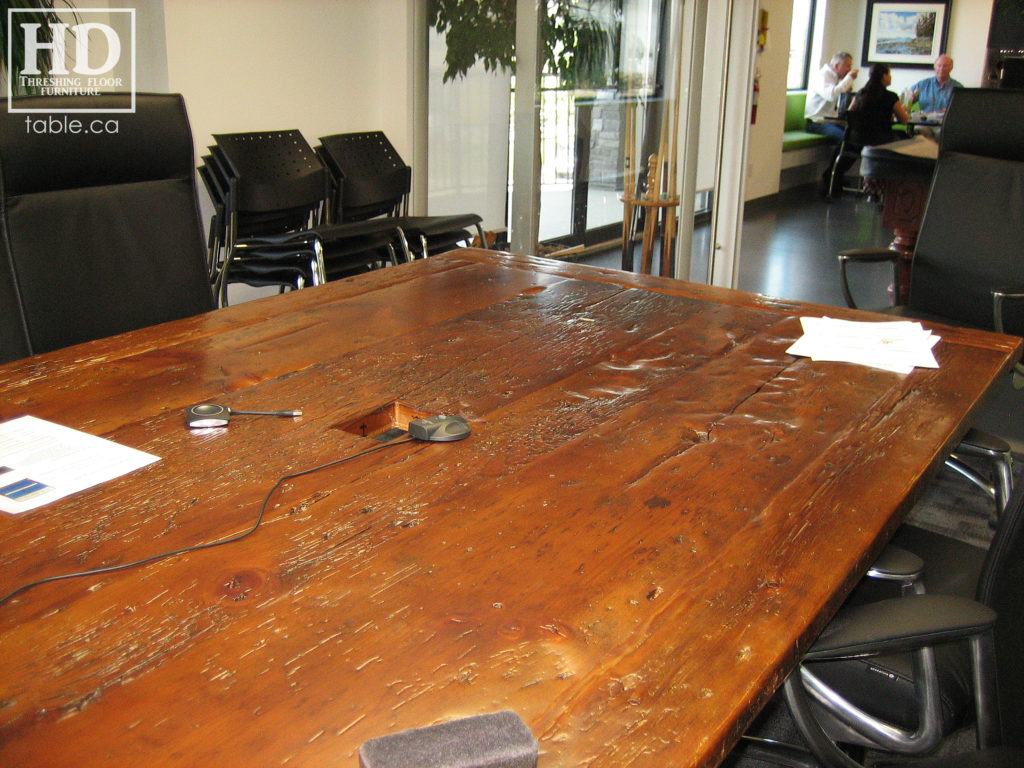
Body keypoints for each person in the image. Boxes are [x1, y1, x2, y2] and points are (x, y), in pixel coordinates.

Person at [846, 63, 909, 148]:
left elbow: (850, 113)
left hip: (857, 140)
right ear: (884, 76)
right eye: (889, 74)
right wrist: (903, 110)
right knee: (904, 136)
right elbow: (904, 120)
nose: (890, 77)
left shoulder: (860, 94)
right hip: (881, 140)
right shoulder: (891, 97)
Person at [805, 51, 859, 142]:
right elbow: (832, 95)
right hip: (817, 123)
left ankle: (845, 155)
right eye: (847, 66)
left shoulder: (837, 78)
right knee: (846, 138)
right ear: (837, 66)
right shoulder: (823, 76)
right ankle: (840, 156)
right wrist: (849, 78)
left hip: (832, 121)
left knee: (856, 135)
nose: (850, 69)